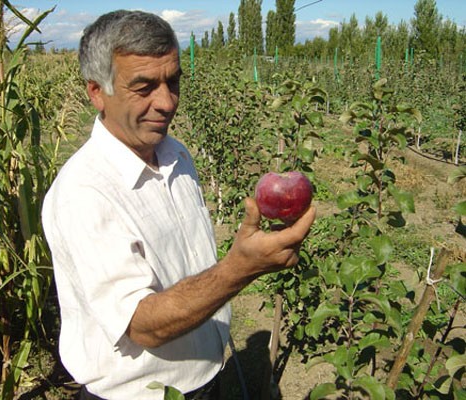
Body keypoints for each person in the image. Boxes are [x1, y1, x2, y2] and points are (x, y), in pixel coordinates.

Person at [41, 9, 316, 400]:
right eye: (144, 87)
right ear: (97, 92)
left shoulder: (174, 154)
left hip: (207, 376)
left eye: (173, 81)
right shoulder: (83, 193)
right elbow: (141, 324)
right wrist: (241, 268)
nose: (167, 102)